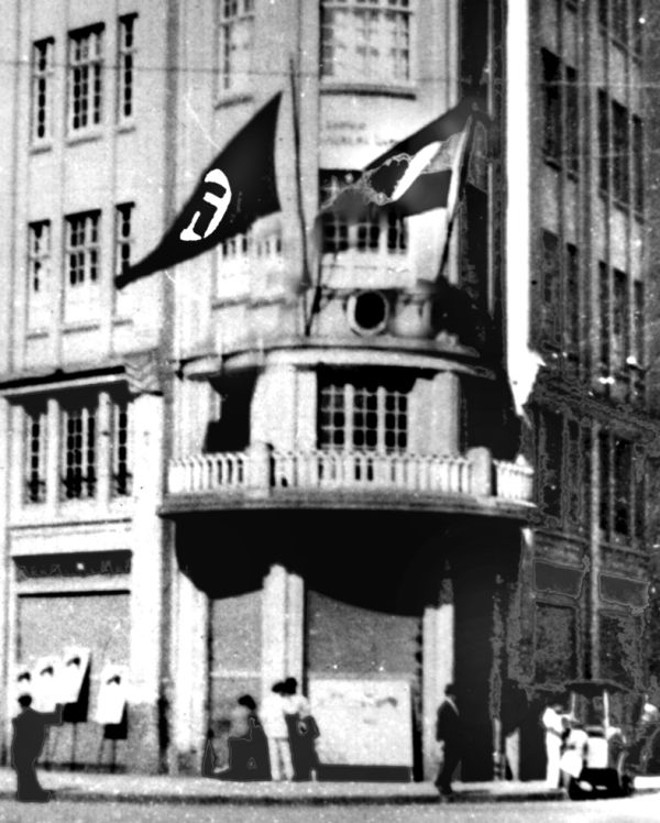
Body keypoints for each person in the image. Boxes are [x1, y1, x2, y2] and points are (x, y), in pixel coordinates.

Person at [11, 694, 63, 802]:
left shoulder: (20, 718)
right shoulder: (35, 716)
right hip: (31, 749)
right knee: (27, 771)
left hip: (20, 750)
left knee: (24, 772)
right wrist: (59, 705)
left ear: (20, 704)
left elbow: (17, 738)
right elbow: (56, 719)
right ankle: (30, 793)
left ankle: (27, 794)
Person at [282, 677, 320, 781]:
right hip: (297, 726)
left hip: (295, 727)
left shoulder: (290, 699)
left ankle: (301, 773)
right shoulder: (300, 699)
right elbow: (306, 713)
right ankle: (303, 773)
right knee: (301, 750)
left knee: (298, 750)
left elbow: (304, 714)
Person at [260, 681, 293, 781]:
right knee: (285, 753)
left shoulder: (266, 701)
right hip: (281, 729)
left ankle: (275, 776)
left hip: (270, 729)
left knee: (273, 754)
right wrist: (289, 699)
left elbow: (262, 716)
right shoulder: (283, 700)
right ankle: (289, 774)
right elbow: (292, 710)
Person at [435, 684, 462, 800]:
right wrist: (444, 739)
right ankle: (444, 785)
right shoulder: (445, 707)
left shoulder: (449, 706)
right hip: (451, 741)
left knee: (450, 763)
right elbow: (442, 726)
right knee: (450, 763)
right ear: (452, 695)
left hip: (453, 740)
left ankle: (441, 782)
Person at [541, 702, 565, 788]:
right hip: (553, 740)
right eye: (560, 706)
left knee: (557, 762)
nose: (561, 708)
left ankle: (556, 782)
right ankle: (552, 784)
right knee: (554, 762)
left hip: (558, 741)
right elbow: (550, 728)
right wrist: (561, 735)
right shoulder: (549, 713)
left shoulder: (559, 715)